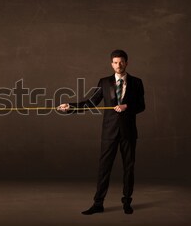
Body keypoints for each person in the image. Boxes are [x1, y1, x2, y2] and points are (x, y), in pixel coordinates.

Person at [57, 49, 145, 215]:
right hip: (109, 133)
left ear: (126, 62)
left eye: (121, 62)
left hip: (128, 132)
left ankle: (127, 202)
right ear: (111, 64)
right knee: (104, 168)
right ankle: (98, 204)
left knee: (129, 168)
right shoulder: (104, 82)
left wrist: (127, 107)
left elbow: (141, 106)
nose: (118, 65)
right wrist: (71, 107)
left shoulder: (137, 82)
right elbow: (91, 103)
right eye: (115, 62)